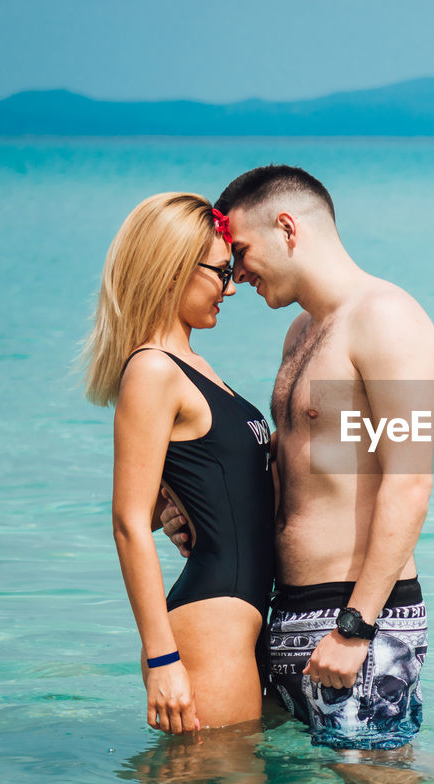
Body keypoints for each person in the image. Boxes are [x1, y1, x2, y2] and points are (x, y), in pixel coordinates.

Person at [162, 166, 434, 750]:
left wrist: (356, 626)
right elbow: (299, 470)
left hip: (353, 612)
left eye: (239, 251)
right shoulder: (301, 334)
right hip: (286, 610)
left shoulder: (387, 318)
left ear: (287, 227)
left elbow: (409, 480)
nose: (234, 274)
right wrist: (191, 508)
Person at [83, 192, 274, 734]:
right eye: (221, 272)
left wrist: (175, 506)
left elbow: (179, 495)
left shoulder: (196, 366)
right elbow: (127, 522)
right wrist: (162, 660)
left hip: (244, 620)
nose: (232, 287)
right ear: (171, 272)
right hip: (210, 626)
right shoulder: (152, 370)